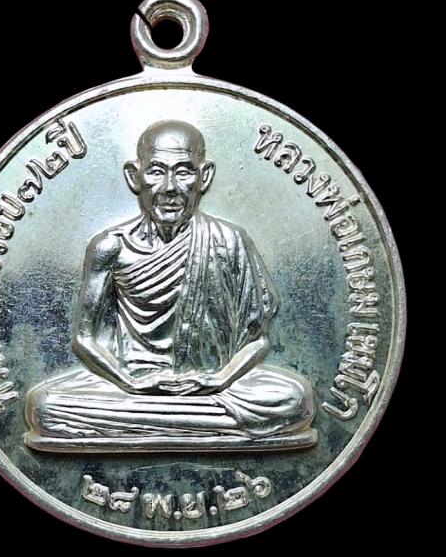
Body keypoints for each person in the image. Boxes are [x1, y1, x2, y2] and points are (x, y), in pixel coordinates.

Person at [24, 120, 316, 451]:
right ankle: (198, 427)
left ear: (204, 177)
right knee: (45, 406)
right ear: (134, 176)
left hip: (212, 387)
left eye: (184, 171)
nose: (170, 188)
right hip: (130, 386)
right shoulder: (111, 247)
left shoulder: (229, 241)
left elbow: (257, 339)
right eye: (156, 171)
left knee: (295, 400)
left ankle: (153, 426)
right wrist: (131, 383)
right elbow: (84, 339)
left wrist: (218, 379)